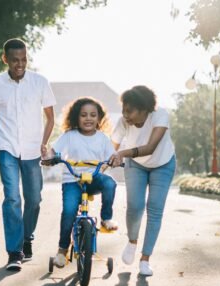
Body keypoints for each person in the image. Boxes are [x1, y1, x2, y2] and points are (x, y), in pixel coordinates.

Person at [0, 38, 56, 271]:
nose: (20, 64)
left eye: (24, 59)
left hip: (33, 149)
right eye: (15, 60)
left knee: (34, 199)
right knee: (12, 198)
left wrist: (44, 143)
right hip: (6, 148)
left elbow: (50, 117)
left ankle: (27, 238)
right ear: (5, 59)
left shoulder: (40, 82)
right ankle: (14, 252)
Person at [109, 85, 176, 276]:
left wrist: (122, 153)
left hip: (163, 164)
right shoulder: (124, 122)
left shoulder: (160, 115)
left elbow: (150, 147)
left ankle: (145, 259)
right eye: (123, 110)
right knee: (135, 206)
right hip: (136, 165)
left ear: (144, 109)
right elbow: (110, 148)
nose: (125, 115)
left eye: (130, 111)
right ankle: (132, 241)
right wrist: (102, 163)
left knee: (154, 209)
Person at [46, 97, 118, 268]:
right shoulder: (69, 136)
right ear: (76, 118)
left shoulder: (102, 138)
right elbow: (53, 151)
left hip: (94, 178)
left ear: (99, 118)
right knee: (69, 212)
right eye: (83, 115)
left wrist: (115, 159)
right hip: (72, 180)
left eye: (93, 115)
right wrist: (50, 157)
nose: (88, 118)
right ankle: (62, 251)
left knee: (110, 183)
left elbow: (111, 156)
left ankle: (106, 218)